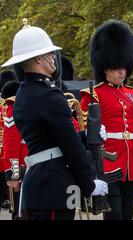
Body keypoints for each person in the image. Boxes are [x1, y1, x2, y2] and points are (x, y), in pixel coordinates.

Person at [1, 26, 108, 220]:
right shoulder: (49, 95)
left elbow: (52, 139)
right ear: (38, 59)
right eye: (49, 53)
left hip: (37, 183)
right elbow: (70, 147)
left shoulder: (23, 94)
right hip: (55, 186)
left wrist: (86, 135)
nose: (53, 57)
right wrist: (89, 184)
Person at [80, 20, 133, 220]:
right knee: (115, 214)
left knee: (128, 214)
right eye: (116, 67)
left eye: (124, 67)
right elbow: (85, 128)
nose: (121, 72)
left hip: (131, 162)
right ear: (105, 68)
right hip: (109, 161)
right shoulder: (95, 94)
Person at [1, 80, 25, 219]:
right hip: (23, 169)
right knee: (21, 213)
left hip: (43, 168)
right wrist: (14, 175)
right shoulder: (15, 106)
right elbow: (11, 144)